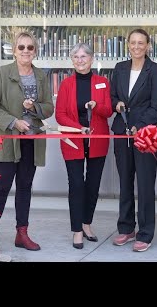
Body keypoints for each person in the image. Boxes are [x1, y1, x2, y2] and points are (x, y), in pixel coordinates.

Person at [0, 30, 54, 256]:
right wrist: (14, 122)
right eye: (21, 47)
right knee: (1, 189)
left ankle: (21, 234)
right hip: (7, 140)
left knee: (24, 188)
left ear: (35, 51)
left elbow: (49, 107)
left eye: (30, 48)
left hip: (31, 140)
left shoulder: (41, 76)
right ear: (14, 51)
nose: (25, 51)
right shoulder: (3, 74)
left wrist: (35, 109)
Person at [110, 28, 157, 252]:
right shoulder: (119, 68)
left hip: (145, 135)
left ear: (148, 45)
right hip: (121, 131)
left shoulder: (156, 71)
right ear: (128, 45)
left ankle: (145, 233)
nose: (136, 46)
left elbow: (155, 107)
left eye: (141, 43)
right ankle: (126, 228)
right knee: (125, 182)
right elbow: (113, 95)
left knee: (144, 184)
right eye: (132, 43)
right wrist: (117, 103)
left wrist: (139, 126)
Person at [55, 43, 113, 249]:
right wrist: (79, 128)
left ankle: (87, 223)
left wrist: (97, 107)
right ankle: (77, 231)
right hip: (73, 140)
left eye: (84, 56)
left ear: (91, 58)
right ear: (72, 60)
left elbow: (108, 112)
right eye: (76, 57)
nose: (80, 60)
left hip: (98, 140)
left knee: (93, 185)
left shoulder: (102, 82)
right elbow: (59, 115)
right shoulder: (66, 84)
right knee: (77, 185)